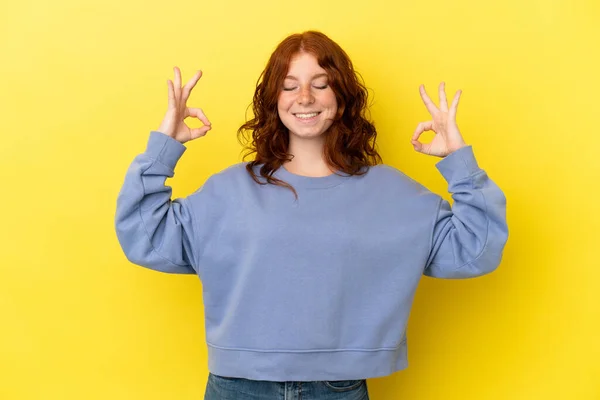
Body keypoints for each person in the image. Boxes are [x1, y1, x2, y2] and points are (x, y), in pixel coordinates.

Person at [114, 30, 508, 400]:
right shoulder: (227, 190)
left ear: (342, 97)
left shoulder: (391, 192)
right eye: (289, 86)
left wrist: (458, 160)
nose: (304, 97)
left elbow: (476, 250)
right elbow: (144, 237)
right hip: (237, 387)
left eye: (320, 84)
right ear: (274, 99)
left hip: (338, 388)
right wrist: (163, 146)